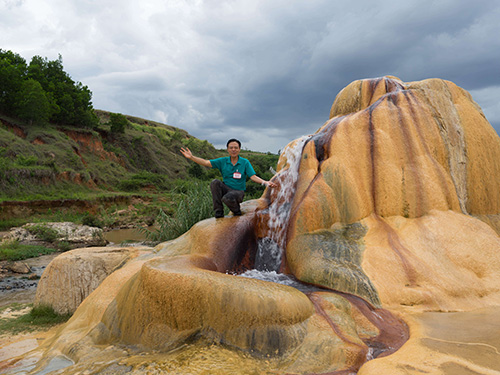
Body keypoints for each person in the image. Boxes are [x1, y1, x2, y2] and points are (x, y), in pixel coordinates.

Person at [180, 138, 277, 218]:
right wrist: (191, 157)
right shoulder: (223, 161)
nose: (233, 150)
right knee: (215, 182)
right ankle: (218, 212)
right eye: (231, 148)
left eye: (236, 148)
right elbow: (206, 162)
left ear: (239, 149)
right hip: (226, 188)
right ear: (227, 149)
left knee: (228, 198)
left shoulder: (244, 162)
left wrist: (265, 182)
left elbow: (253, 176)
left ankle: (236, 211)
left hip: (238, 192)